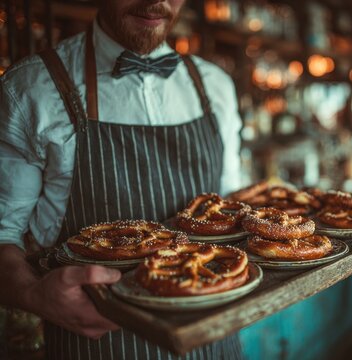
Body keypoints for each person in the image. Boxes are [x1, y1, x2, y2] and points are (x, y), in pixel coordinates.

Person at [0, 0, 243, 358]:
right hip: (97, 343)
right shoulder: (31, 89)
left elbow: (233, 209)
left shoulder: (215, 87)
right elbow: (3, 235)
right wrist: (33, 295)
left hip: (215, 343)